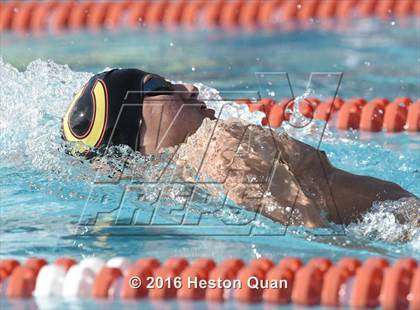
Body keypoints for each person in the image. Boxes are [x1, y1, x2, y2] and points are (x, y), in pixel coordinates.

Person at [62, 68, 416, 228]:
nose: (190, 87)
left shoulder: (193, 169)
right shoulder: (219, 149)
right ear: (133, 127)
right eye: (159, 85)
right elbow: (311, 227)